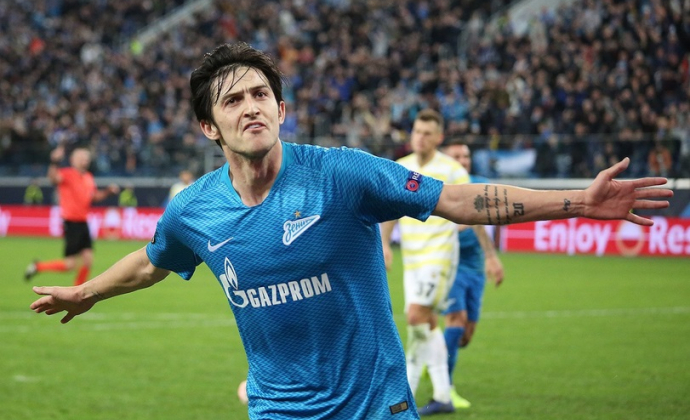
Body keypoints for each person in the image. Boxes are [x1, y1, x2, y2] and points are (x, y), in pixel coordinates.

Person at [29, 43, 672, 420]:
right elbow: (153, 260)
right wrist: (85, 292)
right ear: (208, 127)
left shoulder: (341, 174)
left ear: (281, 109)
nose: (250, 107)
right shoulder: (194, 210)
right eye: (232, 100)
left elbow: (456, 199)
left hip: (374, 407)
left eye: (260, 95)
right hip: (277, 410)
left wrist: (575, 201)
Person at [380, 109, 470, 415]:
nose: (420, 137)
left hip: (439, 258)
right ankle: (442, 395)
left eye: (427, 133)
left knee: (416, 316)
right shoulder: (401, 167)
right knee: (426, 324)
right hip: (413, 260)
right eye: (417, 131)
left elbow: (469, 207)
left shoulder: (452, 169)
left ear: (439, 137)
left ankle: (403, 395)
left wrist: (452, 228)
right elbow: (390, 210)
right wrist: (385, 244)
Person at [441, 140, 505, 409]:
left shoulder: (479, 184)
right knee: (456, 322)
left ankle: (435, 359)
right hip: (449, 264)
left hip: (475, 267)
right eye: (457, 156)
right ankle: (445, 388)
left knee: (466, 334)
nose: (463, 161)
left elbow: (483, 221)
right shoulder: (439, 188)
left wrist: (490, 256)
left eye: (466, 156)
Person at [24, 146, 120, 286]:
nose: (85, 161)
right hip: (72, 222)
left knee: (88, 260)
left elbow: (93, 197)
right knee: (71, 264)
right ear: (72, 160)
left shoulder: (88, 177)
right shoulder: (67, 174)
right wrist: (54, 161)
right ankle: (38, 267)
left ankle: (77, 291)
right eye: (81, 158)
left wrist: (107, 192)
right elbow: (53, 178)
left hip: (83, 222)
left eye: (86, 158)